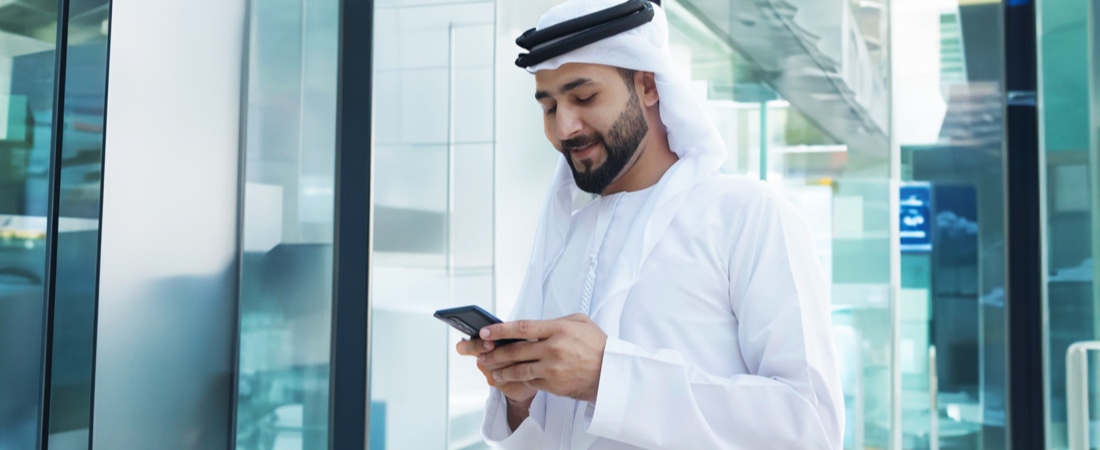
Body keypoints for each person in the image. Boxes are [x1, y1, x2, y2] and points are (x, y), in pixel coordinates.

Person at [455, 0, 844, 448]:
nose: (565, 127)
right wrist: (520, 395)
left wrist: (608, 377)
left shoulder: (745, 215)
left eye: (584, 97)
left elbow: (810, 426)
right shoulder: (565, 238)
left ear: (647, 84)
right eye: (549, 107)